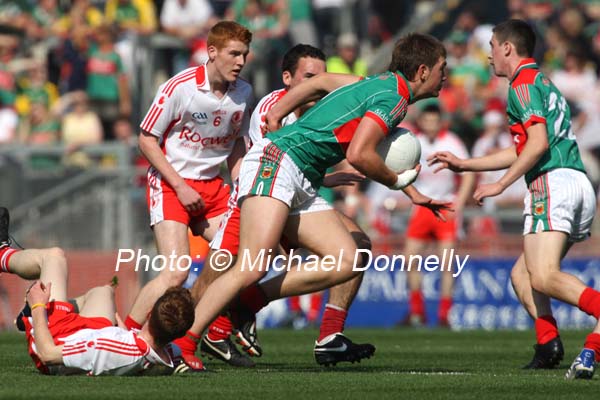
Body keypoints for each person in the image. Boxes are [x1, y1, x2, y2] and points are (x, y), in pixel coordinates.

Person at [187, 33, 451, 368]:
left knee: (348, 257)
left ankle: (250, 307)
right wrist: (397, 180)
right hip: (277, 164)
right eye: (443, 68)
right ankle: (185, 341)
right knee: (247, 267)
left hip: (297, 174)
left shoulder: (381, 83)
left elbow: (323, 82)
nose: (447, 75)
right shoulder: (394, 99)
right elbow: (359, 154)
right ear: (424, 71)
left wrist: (413, 193)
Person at [176, 44, 374, 369]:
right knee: (211, 282)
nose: (318, 84)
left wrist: (325, 179)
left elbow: (302, 163)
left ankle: (329, 338)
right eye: (310, 77)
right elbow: (276, 166)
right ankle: (167, 342)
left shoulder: (324, 109)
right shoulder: (272, 107)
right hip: (254, 198)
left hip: (294, 196)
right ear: (287, 78)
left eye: (323, 78)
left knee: (358, 246)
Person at [428, 19, 598, 379]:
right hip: (575, 181)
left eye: (491, 45)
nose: (487, 55)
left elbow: (536, 146)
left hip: (551, 183)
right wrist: (466, 163)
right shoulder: (542, 82)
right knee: (522, 276)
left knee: (543, 276)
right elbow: (525, 144)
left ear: (507, 48)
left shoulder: (521, 84)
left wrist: (500, 185)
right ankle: (548, 345)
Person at [122, 21, 252, 372]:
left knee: (246, 256)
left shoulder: (243, 93)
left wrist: (240, 183)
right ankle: (127, 338)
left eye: (244, 54)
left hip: (212, 188)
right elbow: (146, 139)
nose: (240, 61)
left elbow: (236, 142)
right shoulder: (179, 87)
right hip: (172, 184)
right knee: (176, 271)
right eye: (233, 53)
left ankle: (208, 331)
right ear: (212, 52)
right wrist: (179, 185)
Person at [0, 207, 195, 376]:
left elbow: (48, 355)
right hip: (92, 333)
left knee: (54, 257)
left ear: (150, 313)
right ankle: (36, 311)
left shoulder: (111, 347)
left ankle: (2, 254)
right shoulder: (168, 353)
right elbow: (149, 354)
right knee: (104, 292)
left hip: (57, 338)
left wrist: (37, 306)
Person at [401, 103, 475, 328]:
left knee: (446, 264)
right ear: (421, 122)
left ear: (441, 122)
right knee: (410, 259)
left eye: (435, 121)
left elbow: (468, 173)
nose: (431, 125)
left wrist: (459, 204)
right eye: (427, 121)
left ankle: (444, 315)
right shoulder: (414, 142)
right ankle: (417, 312)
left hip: (445, 207)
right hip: (423, 207)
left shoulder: (452, 142)